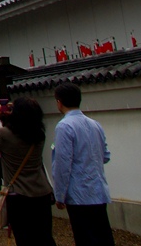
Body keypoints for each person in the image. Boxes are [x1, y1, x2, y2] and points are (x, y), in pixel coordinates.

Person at [0, 97, 55, 246]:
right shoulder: (39, 135)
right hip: (41, 192)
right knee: (44, 237)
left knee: (24, 238)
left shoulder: (4, 135)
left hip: (18, 195)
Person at [51, 82, 114, 246]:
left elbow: (62, 164)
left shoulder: (64, 126)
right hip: (99, 189)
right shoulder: (95, 125)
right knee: (103, 236)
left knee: (85, 237)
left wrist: (59, 194)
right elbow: (105, 155)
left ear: (59, 102)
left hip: (78, 193)